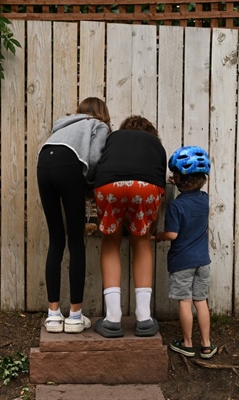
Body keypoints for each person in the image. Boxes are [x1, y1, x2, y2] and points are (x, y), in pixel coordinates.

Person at [37, 97, 111, 333]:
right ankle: (75, 316)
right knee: (76, 242)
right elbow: (94, 159)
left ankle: (53, 315)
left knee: (56, 240)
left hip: (43, 163)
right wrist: (90, 185)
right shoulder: (98, 125)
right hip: (69, 166)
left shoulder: (64, 124)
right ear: (101, 112)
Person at [93, 115, 167, 338]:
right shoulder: (156, 146)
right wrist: (148, 229)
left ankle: (112, 319)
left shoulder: (114, 139)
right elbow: (159, 186)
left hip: (108, 184)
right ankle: (144, 318)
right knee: (142, 240)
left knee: (110, 240)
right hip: (146, 186)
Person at [155, 146, 217, 359]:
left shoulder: (175, 206)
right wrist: (182, 183)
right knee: (201, 301)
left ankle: (188, 343)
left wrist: (158, 235)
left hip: (182, 262)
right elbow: (192, 196)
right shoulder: (204, 199)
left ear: (180, 180)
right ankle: (207, 345)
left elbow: (172, 234)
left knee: (185, 301)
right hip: (202, 261)